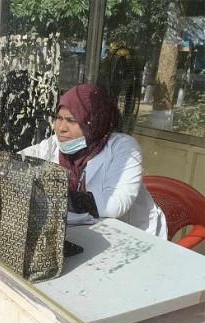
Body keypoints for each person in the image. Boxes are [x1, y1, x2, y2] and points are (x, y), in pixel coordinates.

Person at [19, 84, 167, 238]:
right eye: (59, 118)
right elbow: (19, 161)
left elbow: (115, 205)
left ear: (92, 122)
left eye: (71, 120)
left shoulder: (123, 147)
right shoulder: (55, 144)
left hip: (133, 236)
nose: (61, 128)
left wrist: (57, 195)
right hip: (84, 232)